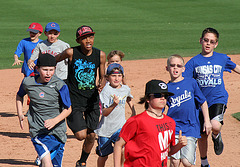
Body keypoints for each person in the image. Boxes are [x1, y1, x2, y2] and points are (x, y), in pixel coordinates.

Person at [183, 27, 240, 167]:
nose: (208, 44)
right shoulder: (193, 62)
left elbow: (236, 67)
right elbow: (184, 81)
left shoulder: (221, 58)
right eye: (206, 40)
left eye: (212, 41)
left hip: (218, 98)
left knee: (215, 125)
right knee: (203, 134)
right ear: (200, 41)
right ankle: (204, 162)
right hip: (201, 102)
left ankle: (216, 135)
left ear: (216, 44)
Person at [55, 25, 106, 167]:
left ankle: (82, 161)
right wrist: (42, 67)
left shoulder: (100, 54)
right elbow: (55, 60)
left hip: (92, 100)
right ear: (78, 40)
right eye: (84, 38)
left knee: (91, 136)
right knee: (81, 135)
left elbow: (103, 76)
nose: (88, 40)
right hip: (74, 99)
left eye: (90, 37)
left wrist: (101, 83)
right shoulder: (71, 52)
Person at [114, 79, 188, 167]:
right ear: (148, 99)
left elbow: (167, 152)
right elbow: (118, 145)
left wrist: (179, 145)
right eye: (158, 95)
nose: (162, 98)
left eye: (165, 96)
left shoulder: (170, 122)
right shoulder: (137, 121)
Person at [16, 53, 72, 167]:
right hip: (38, 130)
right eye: (45, 70)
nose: (48, 73)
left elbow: (68, 109)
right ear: (37, 69)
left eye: (51, 70)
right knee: (46, 162)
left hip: (58, 132)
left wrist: (54, 121)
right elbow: (19, 95)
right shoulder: (28, 82)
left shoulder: (60, 85)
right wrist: (20, 113)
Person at [166, 54, 212, 167]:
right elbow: (160, 109)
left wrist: (207, 120)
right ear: (167, 68)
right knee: (174, 161)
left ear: (183, 69)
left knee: (187, 162)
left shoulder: (191, 83)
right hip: (173, 128)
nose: (175, 68)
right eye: (172, 65)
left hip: (190, 127)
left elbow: (203, 102)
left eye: (178, 65)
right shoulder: (166, 88)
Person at [95, 63, 136, 167]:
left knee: (122, 149)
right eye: (113, 76)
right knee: (103, 156)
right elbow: (104, 112)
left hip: (120, 127)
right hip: (106, 130)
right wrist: (114, 105)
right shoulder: (106, 91)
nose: (117, 78)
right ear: (108, 77)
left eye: (119, 76)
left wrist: (133, 112)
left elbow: (128, 98)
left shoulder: (125, 89)